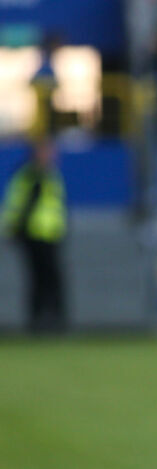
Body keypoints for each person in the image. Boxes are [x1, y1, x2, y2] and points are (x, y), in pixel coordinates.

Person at [3, 138, 68, 333]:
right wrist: (14, 230)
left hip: (50, 235)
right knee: (42, 280)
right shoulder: (33, 176)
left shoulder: (49, 175)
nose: (52, 156)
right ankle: (41, 321)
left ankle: (51, 320)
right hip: (34, 235)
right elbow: (20, 205)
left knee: (49, 280)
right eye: (47, 152)